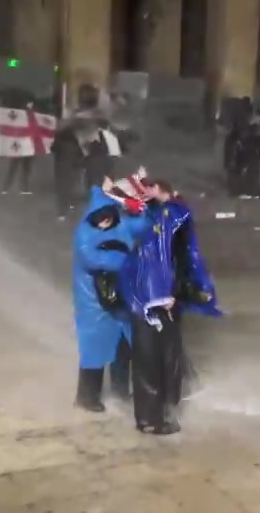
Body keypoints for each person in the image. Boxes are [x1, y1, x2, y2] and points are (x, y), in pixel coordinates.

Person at [117, 186, 221, 435]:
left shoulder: (161, 238)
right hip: (148, 309)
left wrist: (175, 295)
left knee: (166, 360)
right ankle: (150, 419)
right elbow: (136, 276)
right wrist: (154, 300)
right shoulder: (144, 236)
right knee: (150, 364)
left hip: (161, 306)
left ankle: (160, 412)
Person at [72, 185, 150, 412]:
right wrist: (127, 262)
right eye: (102, 218)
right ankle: (86, 397)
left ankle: (120, 391)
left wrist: (138, 208)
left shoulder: (122, 225)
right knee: (93, 351)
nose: (106, 222)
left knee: (123, 347)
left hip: (120, 297)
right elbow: (91, 258)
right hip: (92, 302)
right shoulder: (84, 233)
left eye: (109, 217)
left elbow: (144, 226)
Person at [51, 117, 85, 220]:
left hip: (60, 168)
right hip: (72, 168)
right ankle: (70, 204)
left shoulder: (59, 141)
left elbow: (53, 149)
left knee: (61, 189)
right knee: (70, 187)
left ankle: (62, 212)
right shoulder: (75, 143)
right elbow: (80, 155)